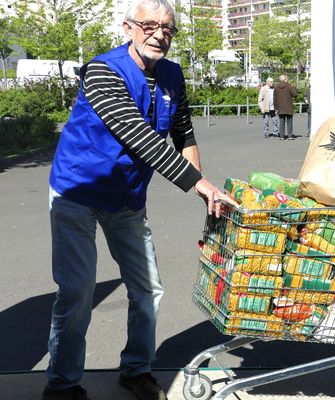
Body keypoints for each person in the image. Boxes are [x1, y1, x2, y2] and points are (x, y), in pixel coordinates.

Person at [43, 1, 236, 399]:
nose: (159, 34)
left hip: (127, 198)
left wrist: (204, 188)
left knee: (148, 288)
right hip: (77, 191)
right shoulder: (101, 70)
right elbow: (136, 133)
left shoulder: (172, 75)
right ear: (128, 27)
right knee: (77, 290)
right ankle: (62, 384)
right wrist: (198, 185)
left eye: (167, 28)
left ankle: (136, 369)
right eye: (149, 25)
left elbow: (183, 133)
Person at [273, 74, 297, 140]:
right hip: (288, 107)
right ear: (285, 79)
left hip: (280, 108)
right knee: (289, 122)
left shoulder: (276, 87)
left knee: (281, 122)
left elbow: (274, 99)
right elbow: (295, 94)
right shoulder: (289, 86)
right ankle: (290, 136)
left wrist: (276, 108)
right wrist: (294, 87)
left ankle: (282, 136)